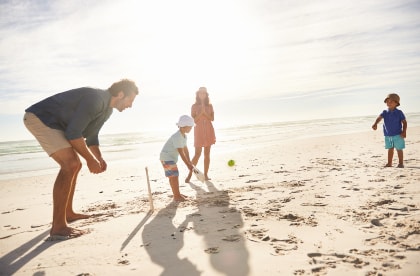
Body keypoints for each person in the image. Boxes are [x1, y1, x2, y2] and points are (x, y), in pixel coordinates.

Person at [23, 79, 139, 240]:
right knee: (71, 164)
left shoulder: (107, 110)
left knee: (74, 166)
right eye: (130, 100)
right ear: (120, 94)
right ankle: (58, 227)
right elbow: (73, 134)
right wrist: (90, 160)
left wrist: (99, 157)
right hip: (40, 118)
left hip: (58, 125)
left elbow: (91, 135)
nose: (130, 105)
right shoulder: (95, 99)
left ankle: (68, 213)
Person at [160, 115, 194, 201]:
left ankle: (176, 194)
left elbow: (186, 150)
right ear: (185, 126)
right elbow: (181, 152)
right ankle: (176, 195)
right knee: (174, 176)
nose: (191, 128)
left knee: (173, 176)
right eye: (190, 127)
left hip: (169, 158)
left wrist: (189, 162)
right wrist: (187, 165)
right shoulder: (177, 136)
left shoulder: (184, 136)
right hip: (166, 157)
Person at [185, 87, 216, 182]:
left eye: (204, 93)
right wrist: (201, 112)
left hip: (209, 130)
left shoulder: (210, 106)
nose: (202, 94)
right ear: (198, 94)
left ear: (206, 94)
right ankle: (190, 175)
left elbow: (212, 118)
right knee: (197, 154)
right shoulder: (194, 106)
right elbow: (193, 120)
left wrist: (204, 113)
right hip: (198, 131)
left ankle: (205, 175)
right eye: (200, 93)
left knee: (207, 153)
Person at [372, 93, 407, 168]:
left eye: (391, 101)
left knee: (399, 149)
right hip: (388, 135)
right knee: (390, 149)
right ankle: (389, 163)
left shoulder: (399, 112)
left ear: (396, 103)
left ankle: (401, 163)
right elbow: (379, 118)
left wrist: (404, 132)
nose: (389, 103)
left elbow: (404, 122)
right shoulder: (385, 112)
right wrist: (375, 123)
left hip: (398, 135)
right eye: (387, 101)